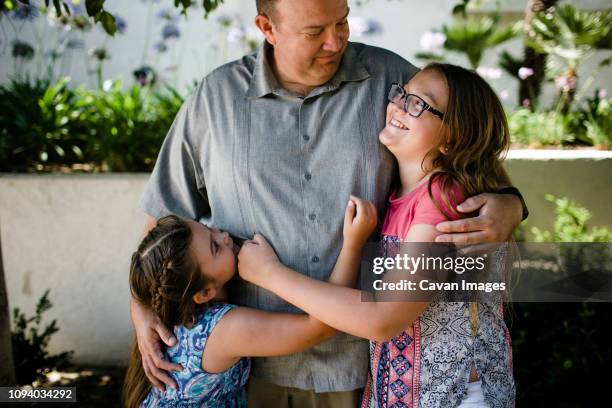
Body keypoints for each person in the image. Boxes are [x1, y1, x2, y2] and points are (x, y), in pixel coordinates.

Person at [132, 0, 527, 405]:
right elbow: (164, 218)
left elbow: (468, 149)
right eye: (314, 31)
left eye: (342, 22)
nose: (335, 41)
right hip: (251, 367)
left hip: (362, 371)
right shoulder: (214, 99)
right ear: (267, 27)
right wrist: (142, 307)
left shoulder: (394, 81)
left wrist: (511, 204)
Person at [238, 63, 516, 407]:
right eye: (401, 94)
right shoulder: (403, 196)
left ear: (454, 139)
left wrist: (269, 274)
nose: (398, 106)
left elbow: (383, 318)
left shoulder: (444, 200)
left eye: (419, 104)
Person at [123, 198, 377, 407]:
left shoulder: (176, 312)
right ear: (204, 292)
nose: (223, 235)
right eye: (214, 248)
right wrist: (353, 244)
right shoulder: (225, 330)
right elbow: (323, 326)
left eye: (210, 229)